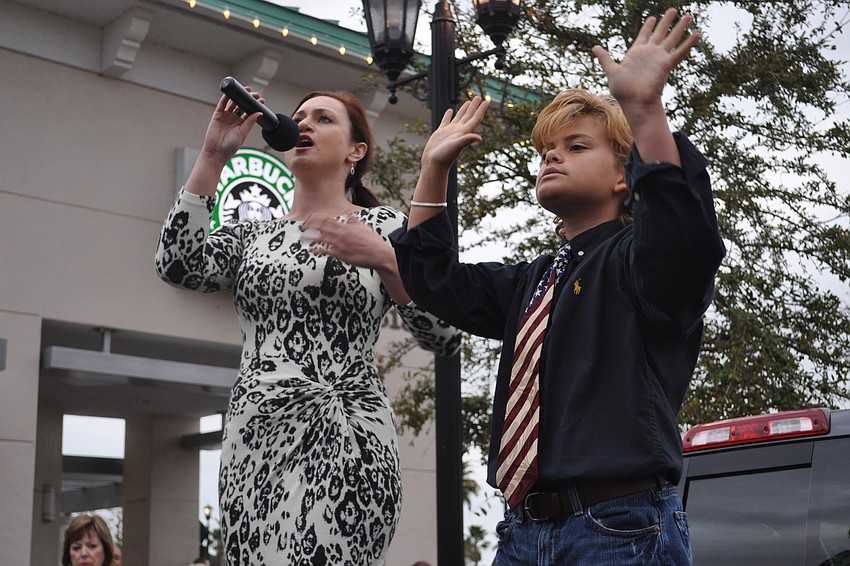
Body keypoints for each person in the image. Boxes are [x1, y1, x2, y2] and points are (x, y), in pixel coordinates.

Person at [389, 8, 725, 565]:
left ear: (624, 178)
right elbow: (434, 281)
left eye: (576, 146)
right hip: (522, 534)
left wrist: (644, 112)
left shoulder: (637, 260)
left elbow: (683, 239)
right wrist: (433, 169)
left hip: (620, 528)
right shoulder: (533, 279)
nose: (551, 156)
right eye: (546, 150)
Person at [155, 88, 461, 565]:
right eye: (299, 116)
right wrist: (214, 154)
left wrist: (386, 261)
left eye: (323, 118)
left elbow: (444, 333)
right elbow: (177, 264)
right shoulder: (253, 235)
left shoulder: (385, 227)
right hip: (257, 440)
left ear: (356, 151)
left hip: (349, 434)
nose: (304, 124)